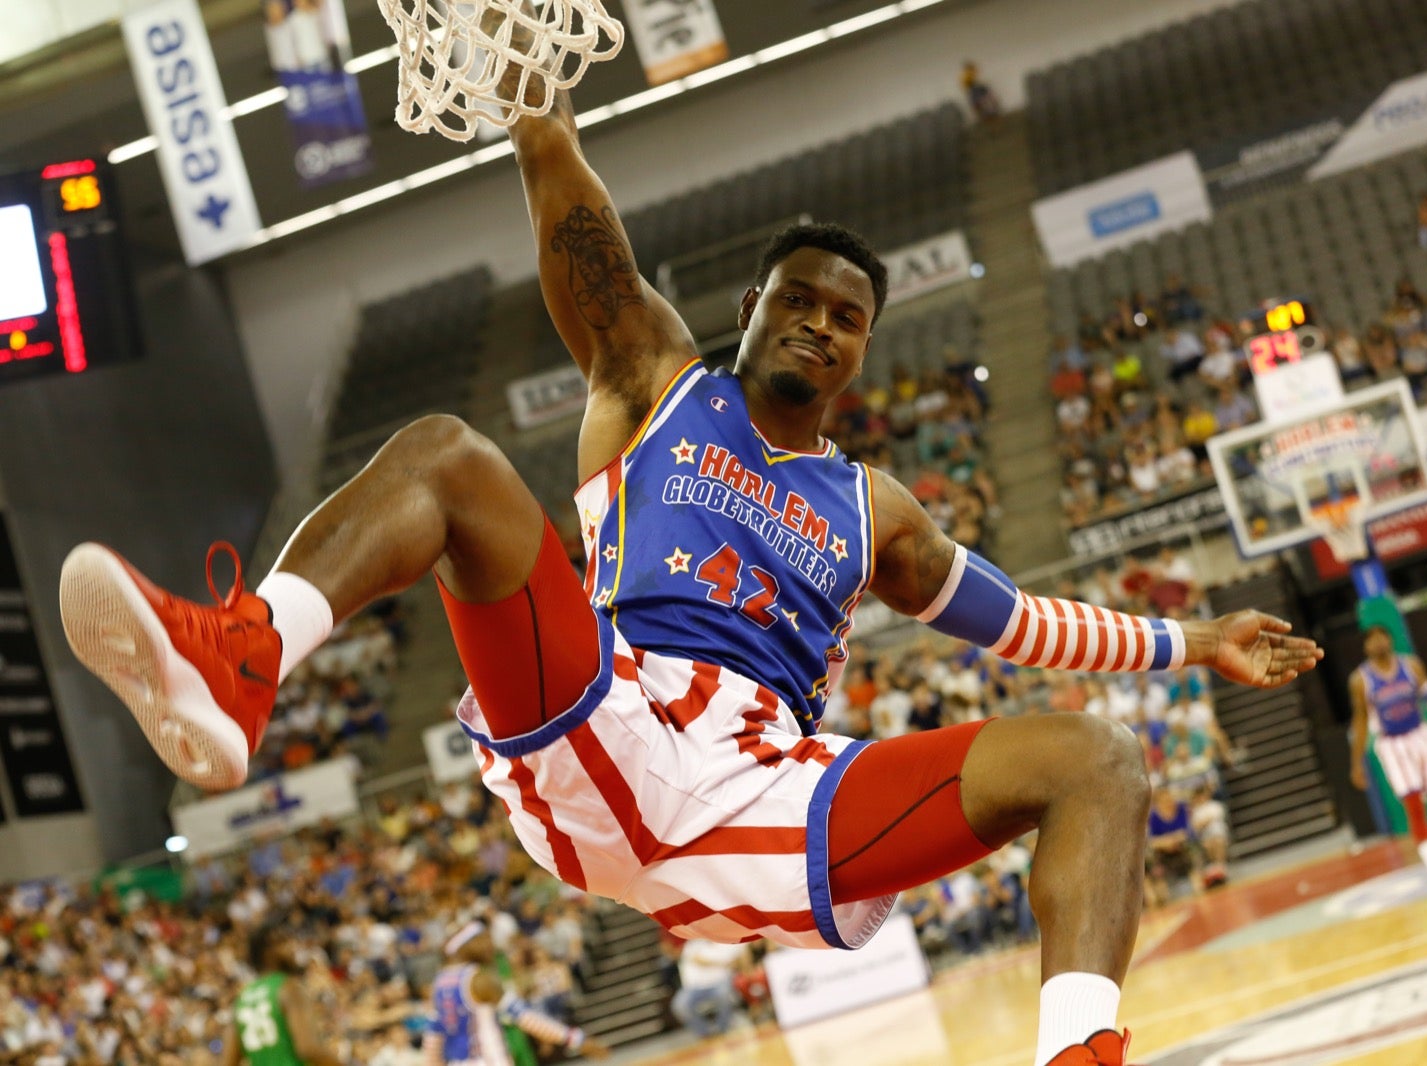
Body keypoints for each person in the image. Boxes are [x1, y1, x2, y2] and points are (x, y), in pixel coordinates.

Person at [58, 43, 1321, 1066]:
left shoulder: (870, 506)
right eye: (799, 302)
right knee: (451, 457)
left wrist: (1192, 640)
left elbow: (1013, 622)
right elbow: (575, 210)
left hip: (769, 788)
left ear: (863, 349)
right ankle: (247, 655)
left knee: (1096, 755)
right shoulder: (655, 381)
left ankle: (1078, 1056)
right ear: (748, 312)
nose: (820, 328)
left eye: (846, 319)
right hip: (609, 711)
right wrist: (532, 101)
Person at [1348, 626, 1427, 891]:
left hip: (1420, 735)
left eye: (1381, 636)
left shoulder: (1412, 666)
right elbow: (1360, 722)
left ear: (1390, 639)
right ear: (1365, 647)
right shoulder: (1361, 680)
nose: (1378, 642)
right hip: (1392, 745)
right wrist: (1357, 761)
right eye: (1371, 640)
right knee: (1414, 804)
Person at [424, 922, 605, 1065]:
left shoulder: (439, 982)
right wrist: (575, 1039)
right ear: (471, 944)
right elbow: (526, 1018)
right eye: (485, 940)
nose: (491, 946)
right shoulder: (478, 979)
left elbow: (433, 1037)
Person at [221, 924, 340, 1066]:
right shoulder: (289, 988)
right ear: (268, 953)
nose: (293, 947)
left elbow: (228, 1062)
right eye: (284, 942)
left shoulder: (241, 999)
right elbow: (308, 1048)